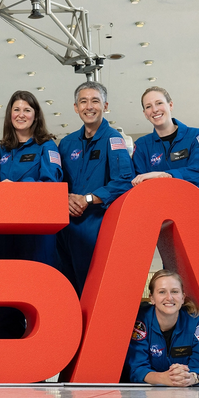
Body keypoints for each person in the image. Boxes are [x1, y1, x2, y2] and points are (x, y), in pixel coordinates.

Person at [0, 91, 63, 339]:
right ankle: (6, 366)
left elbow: (52, 183)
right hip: (4, 235)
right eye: (16, 110)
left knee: (35, 297)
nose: (21, 115)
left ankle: (36, 370)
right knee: (5, 296)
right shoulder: (0, 150)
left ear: (36, 116)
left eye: (27, 110)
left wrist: (19, 189)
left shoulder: (47, 146)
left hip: (35, 236)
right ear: (10, 114)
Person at [56, 81, 134, 296]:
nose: (89, 106)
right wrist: (65, 198)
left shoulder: (114, 140)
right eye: (83, 101)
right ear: (75, 107)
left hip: (97, 227)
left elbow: (124, 181)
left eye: (95, 101)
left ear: (105, 106)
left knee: (95, 290)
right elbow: (56, 181)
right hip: (65, 228)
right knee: (66, 291)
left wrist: (88, 199)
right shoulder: (66, 143)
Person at [132, 86, 199, 238]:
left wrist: (163, 175)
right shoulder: (142, 146)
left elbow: (198, 170)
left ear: (170, 105)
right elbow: (139, 183)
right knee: (173, 261)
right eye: (148, 106)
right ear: (145, 114)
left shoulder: (196, 135)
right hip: (168, 218)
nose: (154, 109)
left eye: (159, 103)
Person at [126, 269, 199, 386]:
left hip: (187, 392)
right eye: (162, 292)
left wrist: (191, 378)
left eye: (175, 292)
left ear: (182, 297)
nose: (169, 298)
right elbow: (136, 367)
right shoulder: (140, 321)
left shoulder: (197, 320)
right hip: (149, 395)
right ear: (152, 298)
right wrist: (163, 378)